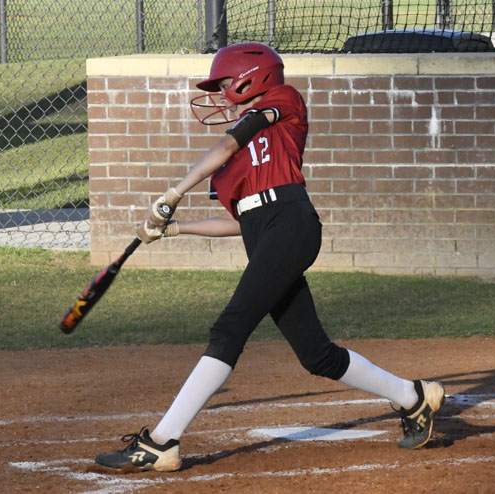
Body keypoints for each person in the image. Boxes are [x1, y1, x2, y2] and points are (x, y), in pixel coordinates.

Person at [92, 42, 445, 473]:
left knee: (229, 329)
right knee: (316, 355)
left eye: (225, 84)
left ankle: (162, 442)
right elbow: (241, 221)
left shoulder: (283, 101)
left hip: (291, 225)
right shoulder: (232, 166)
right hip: (266, 238)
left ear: (250, 79)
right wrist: (175, 228)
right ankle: (413, 397)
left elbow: (228, 144)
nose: (221, 96)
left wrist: (173, 193)